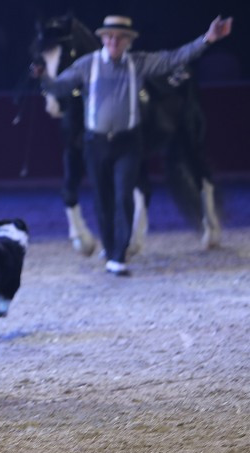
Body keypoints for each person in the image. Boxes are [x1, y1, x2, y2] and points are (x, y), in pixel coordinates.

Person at [34, 14, 233, 276]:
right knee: (103, 200)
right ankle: (111, 246)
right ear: (103, 39)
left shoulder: (138, 64)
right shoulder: (87, 65)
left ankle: (119, 255)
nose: (115, 41)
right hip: (97, 143)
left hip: (128, 142)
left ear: (128, 41)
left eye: (120, 37)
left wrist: (208, 39)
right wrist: (43, 79)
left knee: (123, 195)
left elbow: (175, 57)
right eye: (110, 37)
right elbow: (60, 88)